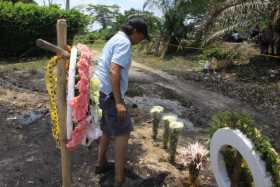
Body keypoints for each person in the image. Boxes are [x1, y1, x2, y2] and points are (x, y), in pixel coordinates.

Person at [94, 18, 149, 187]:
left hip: (100, 91)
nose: (141, 41)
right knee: (123, 132)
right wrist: (119, 102)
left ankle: (100, 164)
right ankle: (119, 179)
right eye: (142, 37)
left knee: (107, 129)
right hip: (110, 95)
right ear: (136, 32)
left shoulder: (116, 38)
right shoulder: (124, 42)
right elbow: (114, 69)